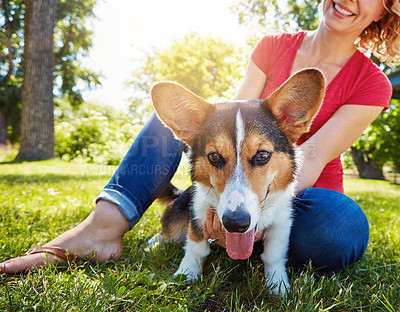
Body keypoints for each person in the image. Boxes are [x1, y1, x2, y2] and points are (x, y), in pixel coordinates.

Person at [1, 0, 399, 275]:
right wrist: (219, 201)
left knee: (342, 228)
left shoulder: (373, 83)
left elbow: (307, 159)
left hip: (299, 198)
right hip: (227, 183)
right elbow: (227, 120)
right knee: (183, 118)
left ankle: (248, 236)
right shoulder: (274, 46)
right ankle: (102, 229)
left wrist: (253, 207)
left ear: (386, 7)